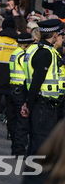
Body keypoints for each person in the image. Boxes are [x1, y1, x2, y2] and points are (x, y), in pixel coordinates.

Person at [21, 19, 64, 156]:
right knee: (41, 142)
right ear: (54, 35)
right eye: (58, 33)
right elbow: (37, 81)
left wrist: (27, 102)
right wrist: (28, 103)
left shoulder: (35, 49)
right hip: (43, 104)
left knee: (37, 140)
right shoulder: (45, 53)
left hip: (40, 102)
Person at [9, 30, 35, 155]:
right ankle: (19, 150)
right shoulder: (24, 56)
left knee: (14, 120)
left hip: (13, 88)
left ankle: (15, 148)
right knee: (22, 121)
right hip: (21, 89)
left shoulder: (15, 53)